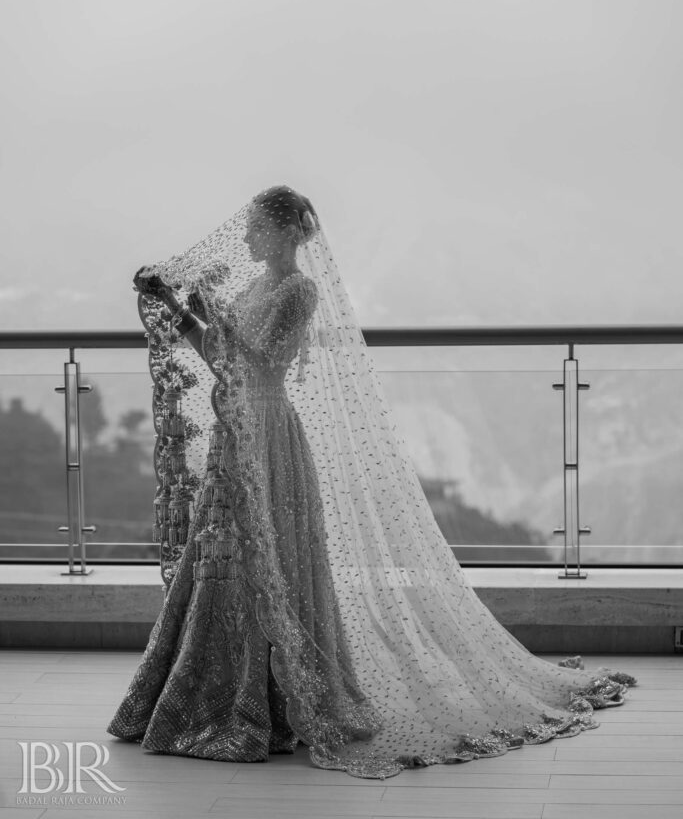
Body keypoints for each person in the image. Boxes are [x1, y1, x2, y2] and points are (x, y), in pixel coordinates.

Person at [107, 184, 635, 780]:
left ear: (284, 232)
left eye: (256, 227)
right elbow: (220, 357)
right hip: (237, 435)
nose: (248, 236)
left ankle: (277, 703)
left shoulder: (298, 290)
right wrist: (182, 312)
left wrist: (210, 307)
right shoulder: (252, 288)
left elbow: (261, 360)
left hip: (271, 438)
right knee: (223, 563)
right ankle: (215, 691)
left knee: (274, 561)